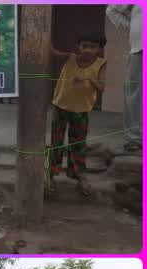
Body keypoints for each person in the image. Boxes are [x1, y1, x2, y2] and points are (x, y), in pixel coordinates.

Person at [49, 34, 107, 195]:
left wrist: (88, 79)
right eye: (84, 46)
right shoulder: (70, 58)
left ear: (100, 50)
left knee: (79, 145)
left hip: (81, 111)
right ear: (78, 47)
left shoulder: (101, 64)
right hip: (61, 107)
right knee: (57, 144)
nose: (88, 50)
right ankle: (50, 176)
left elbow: (101, 87)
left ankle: (79, 176)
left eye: (93, 47)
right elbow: (51, 52)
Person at [106, 5, 142, 152]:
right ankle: (136, 138)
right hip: (140, 49)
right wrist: (131, 24)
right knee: (135, 95)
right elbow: (112, 10)